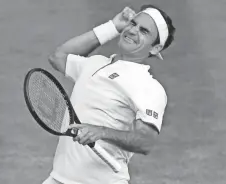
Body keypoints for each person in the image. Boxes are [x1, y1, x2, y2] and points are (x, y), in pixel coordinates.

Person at [43, 4, 175, 184]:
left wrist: (101, 132)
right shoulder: (96, 63)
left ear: (155, 48)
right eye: (133, 24)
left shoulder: (148, 86)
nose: (133, 31)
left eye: (143, 31)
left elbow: (145, 142)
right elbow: (58, 57)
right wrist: (112, 26)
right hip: (59, 178)